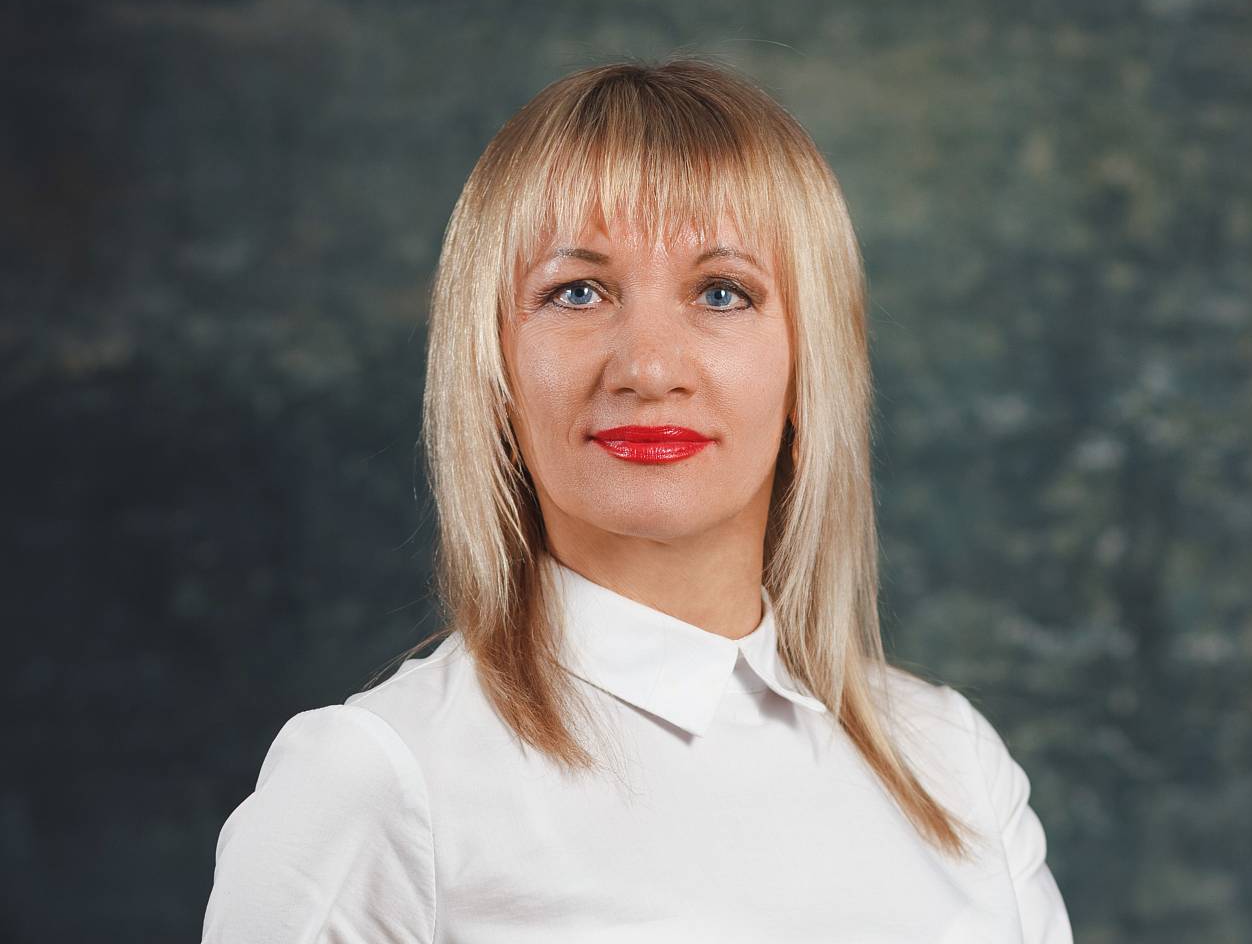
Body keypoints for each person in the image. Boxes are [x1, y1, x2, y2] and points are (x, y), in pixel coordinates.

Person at [201, 57, 1074, 943]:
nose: (648, 369)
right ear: (492, 368)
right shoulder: (378, 778)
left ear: (809, 367)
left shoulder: (954, 765)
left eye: (722, 293)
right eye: (576, 292)